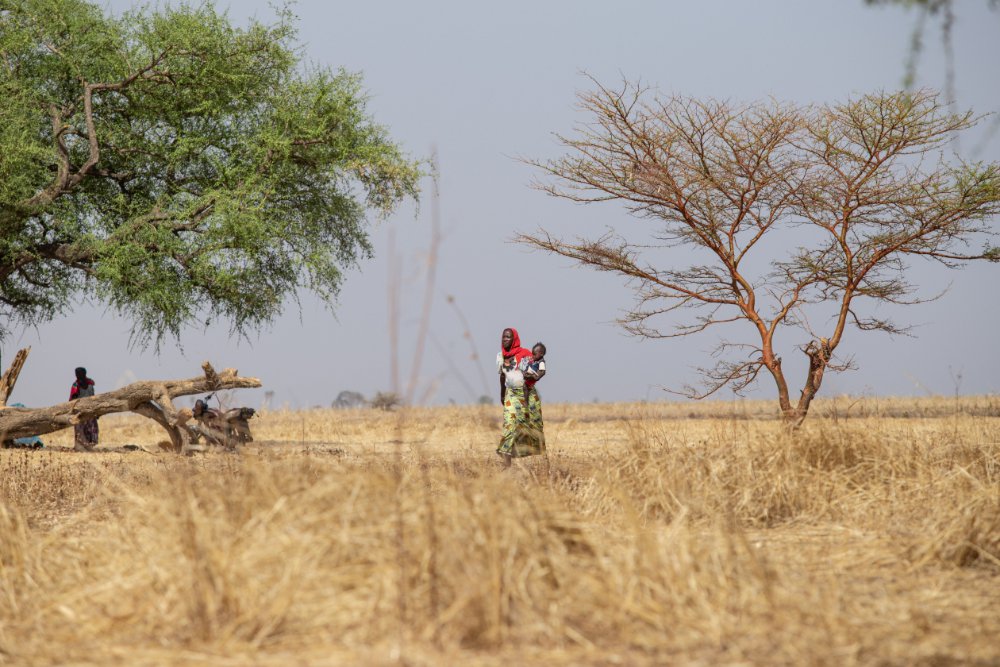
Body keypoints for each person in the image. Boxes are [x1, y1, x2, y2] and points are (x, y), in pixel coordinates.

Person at [496, 328, 545, 466]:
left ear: (514, 339)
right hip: (511, 393)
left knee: (532, 426)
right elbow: (502, 376)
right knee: (509, 425)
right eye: (503, 337)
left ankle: (542, 465)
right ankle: (507, 464)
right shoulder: (500, 357)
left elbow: (538, 364)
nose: (505, 339)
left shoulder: (525, 354)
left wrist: (535, 375)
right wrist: (501, 394)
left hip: (527, 393)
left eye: (508, 337)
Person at [69, 367, 99, 451]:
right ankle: (85, 446)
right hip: (87, 411)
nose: (77, 375)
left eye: (78, 374)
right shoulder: (88, 384)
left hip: (84, 412)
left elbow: (72, 399)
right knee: (88, 429)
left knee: (84, 429)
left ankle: (85, 446)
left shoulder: (77, 385)